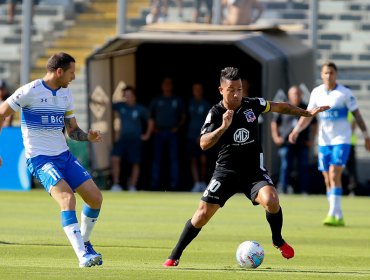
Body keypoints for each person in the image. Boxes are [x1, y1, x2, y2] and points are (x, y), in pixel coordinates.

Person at [163, 67, 329, 267]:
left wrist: (306, 113)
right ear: (221, 90)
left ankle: (277, 240)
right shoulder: (216, 112)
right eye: (232, 89)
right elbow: (203, 143)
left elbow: (281, 107)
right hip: (226, 172)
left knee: (272, 200)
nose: (236, 94)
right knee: (202, 215)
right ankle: (175, 255)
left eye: (240, 89)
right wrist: (223, 127)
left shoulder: (252, 104)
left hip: (253, 172)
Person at [0, 52, 104, 268]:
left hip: (63, 155)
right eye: (71, 72)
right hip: (40, 159)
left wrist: (87, 137)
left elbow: (72, 130)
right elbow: (2, 113)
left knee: (95, 198)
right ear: (59, 72)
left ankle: (84, 243)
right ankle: (82, 256)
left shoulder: (66, 94)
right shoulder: (30, 91)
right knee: (67, 199)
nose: (73, 77)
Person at [289, 61, 370, 226]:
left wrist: (366, 135)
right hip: (324, 142)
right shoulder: (317, 92)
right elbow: (308, 115)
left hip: (342, 140)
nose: (328, 75)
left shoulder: (345, 93)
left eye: (331, 72)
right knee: (327, 178)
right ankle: (338, 214)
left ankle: (332, 213)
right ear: (321, 75)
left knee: (334, 173)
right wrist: (296, 130)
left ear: (336, 74)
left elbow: (357, 115)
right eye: (326, 73)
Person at [271, 86, 317, 194]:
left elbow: (315, 124)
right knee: (285, 166)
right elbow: (274, 123)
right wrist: (276, 137)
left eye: (298, 94)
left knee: (303, 167)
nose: (296, 96)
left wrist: (312, 139)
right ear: (289, 95)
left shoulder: (306, 108)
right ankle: (283, 189)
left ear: (301, 95)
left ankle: (304, 190)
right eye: (294, 94)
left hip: (302, 143)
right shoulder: (284, 107)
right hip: (286, 143)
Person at [110, 86, 151, 192]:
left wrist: (146, 135)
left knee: (135, 162)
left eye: (129, 95)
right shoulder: (121, 106)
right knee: (115, 159)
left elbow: (150, 121)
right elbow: (107, 103)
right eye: (125, 96)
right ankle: (116, 184)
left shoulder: (140, 108)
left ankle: (132, 186)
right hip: (122, 139)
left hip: (135, 139)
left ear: (134, 96)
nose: (127, 98)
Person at [149, 77, 186, 190]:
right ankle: (155, 185)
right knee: (157, 159)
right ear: (162, 86)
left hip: (172, 133)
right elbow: (151, 116)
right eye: (165, 84)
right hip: (159, 132)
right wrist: (153, 128)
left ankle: (174, 184)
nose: (167, 86)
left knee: (174, 159)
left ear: (172, 86)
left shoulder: (177, 100)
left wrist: (177, 128)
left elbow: (183, 116)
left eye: (169, 84)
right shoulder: (157, 100)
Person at [187, 82, 211, 192]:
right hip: (191, 136)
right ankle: (196, 183)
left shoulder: (206, 104)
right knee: (193, 160)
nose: (197, 91)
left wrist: (203, 135)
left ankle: (203, 182)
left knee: (203, 160)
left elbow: (210, 122)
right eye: (195, 89)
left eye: (199, 89)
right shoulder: (190, 103)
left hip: (203, 136)